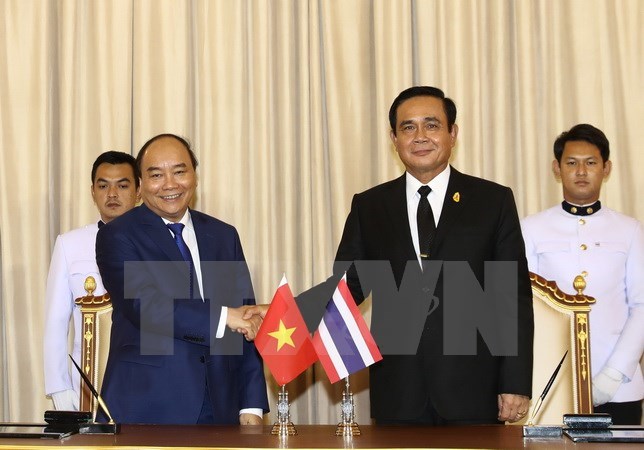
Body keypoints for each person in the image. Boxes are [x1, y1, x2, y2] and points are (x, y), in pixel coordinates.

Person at [249, 86, 534, 424]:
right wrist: (287, 312)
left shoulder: (493, 201)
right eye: (408, 127)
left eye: (432, 125)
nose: (420, 136)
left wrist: (515, 382)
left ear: (452, 133)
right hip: (398, 389)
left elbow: (511, 298)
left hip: (473, 386)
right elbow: (347, 287)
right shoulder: (370, 206)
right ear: (394, 138)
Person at [95, 133, 268, 425]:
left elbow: (247, 317)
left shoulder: (223, 235)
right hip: (147, 405)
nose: (170, 184)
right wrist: (225, 317)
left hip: (221, 405)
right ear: (140, 184)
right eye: (156, 175)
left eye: (179, 171)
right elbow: (147, 307)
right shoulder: (118, 235)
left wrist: (250, 404)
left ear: (195, 176)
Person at [521, 124, 643, 425]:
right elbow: (527, 307)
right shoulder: (532, 228)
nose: (581, 171)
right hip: (551, 384)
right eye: (571, 163)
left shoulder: (629, 229)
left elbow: (640, 306)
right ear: (557, 168)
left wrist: (613, 375)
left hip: (619, 386)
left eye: (591, 162)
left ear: (606, 168)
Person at [43, 151, 140, 410]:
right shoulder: (69, 244)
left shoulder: (158, 243)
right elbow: (56, 320)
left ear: (139, 190)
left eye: (122, 185)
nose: (112, 194)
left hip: (144, 382)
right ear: (92, 191)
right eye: (103, 185)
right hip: (86, 386)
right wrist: (59, 387)